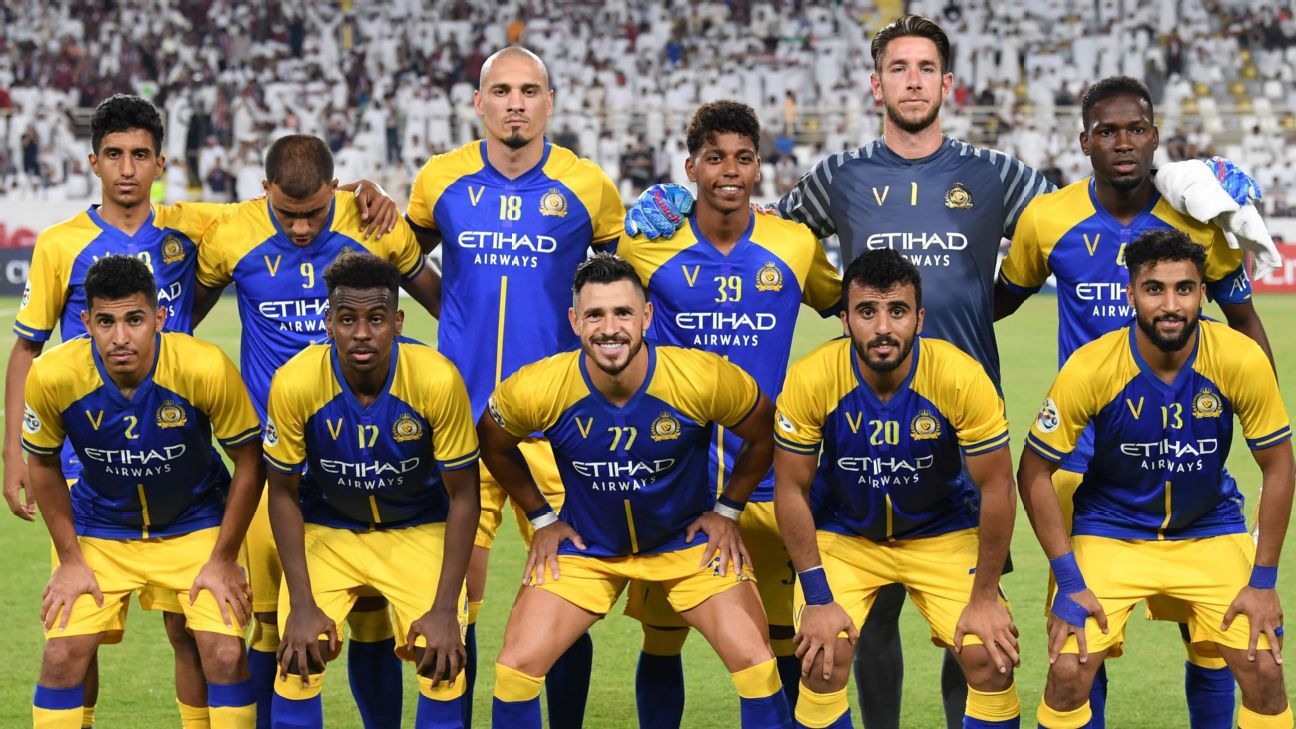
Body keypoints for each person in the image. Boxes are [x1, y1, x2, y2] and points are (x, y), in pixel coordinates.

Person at [622, 16, 1271, 727]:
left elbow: (1087, 203)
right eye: (898, 68)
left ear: (948, 83)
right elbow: (759, 221)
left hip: (966, 420)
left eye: (926, 68)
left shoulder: (997, 174)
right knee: (868, 617)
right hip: (863, 420)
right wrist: (676, 205)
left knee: (971, 620)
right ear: (877, 85)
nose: (913, 81)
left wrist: (1190, 180)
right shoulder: (839, 175)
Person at [994, 76, 1276, 728]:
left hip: (1183, 446)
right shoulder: (1047, 219)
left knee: (1214, 642)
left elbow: (1243, 321)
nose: (1123, 142)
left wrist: (1261, 412)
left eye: (1136, 129)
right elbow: (996, 303)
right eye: (1108, 131)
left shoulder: (1197, 216)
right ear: (1084, 140)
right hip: (1080, 461)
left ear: (1155, 136)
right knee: (1080, 638)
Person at [404, 45, 624, 727]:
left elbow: (622, 284)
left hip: (555, 428)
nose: (516, 104)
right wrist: (451, 307)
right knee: (456, 596)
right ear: (480, 103)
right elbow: (403, 256)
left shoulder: (587, 186)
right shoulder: (440, 179)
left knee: (566, 590)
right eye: (501, 91)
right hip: (461, 426)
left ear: (549, 103)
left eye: (529, 91)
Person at [478, 253, 791, 729]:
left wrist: (728, 511)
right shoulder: (539, 386)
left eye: (623, 313)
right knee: (515, 670)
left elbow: (767, 432)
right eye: (595, 315)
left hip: (686, 544)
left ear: (646, 316)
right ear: (574, 322)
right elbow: (492, 441)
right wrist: (542, 518)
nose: (610, 329)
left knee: (757, 665)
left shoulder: (700, 376)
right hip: (588, 547)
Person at [611, 100, 841, 726]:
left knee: (782, 639)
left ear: (760, 168)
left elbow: (850, 308)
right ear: (691, 167)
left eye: (743, 158)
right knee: (663, 638)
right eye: (714, 158)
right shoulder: (648, 242)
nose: (730, 171)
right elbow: (601, 312)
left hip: (768, 480)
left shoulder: (793, 244)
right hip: (674, 480)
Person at [5, 94, 228, 728]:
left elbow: (277, 206)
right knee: (81, 630)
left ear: (161, 162)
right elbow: (26, 349)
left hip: (176, 451)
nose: (126, 169)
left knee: (189, 630)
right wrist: (14, 452)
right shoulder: (61, 244)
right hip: (89, 460)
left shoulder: (189, 228)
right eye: (113, 155)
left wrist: (355, 191)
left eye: (139, 155)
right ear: (93, 162)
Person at [195, 134, 433, 728]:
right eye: (287, 214)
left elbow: (445, 304)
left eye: (314, 213)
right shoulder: (232, 233)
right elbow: (176, 325)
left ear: (335, 188)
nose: (301, 229)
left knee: (372, 619)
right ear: (263, 191)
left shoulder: (373, 223)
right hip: (271, 463)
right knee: (270, 622)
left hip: (361, 457)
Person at [1018, 230, 1293, 729]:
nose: (1170, 305)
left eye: (1184, 288)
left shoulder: (1239, 357)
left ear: (1203, 293)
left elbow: (1279, 465)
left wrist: (1263, 582)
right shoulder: (1092, 365)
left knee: (1265, 671)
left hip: (1208, 528)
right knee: (1068, 670)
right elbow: (1033, 470)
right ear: (1130, 294)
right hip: (1110, 529)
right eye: (1154, 289)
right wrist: (1069, 580)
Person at [774, 249, 1019, 729]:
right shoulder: (812, 376)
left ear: (919, 319)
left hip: (942, 531)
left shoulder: (960, 376)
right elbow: (790, 489)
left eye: (898, 311)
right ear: (845, 320)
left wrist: (985, 598)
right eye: (867, 312)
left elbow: (997, 489)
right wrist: (818, 598)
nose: (883, 328)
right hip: (845, 535)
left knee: (991, 658)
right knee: (823, 660)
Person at [25, 255, 264, 729]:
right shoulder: (53, 375)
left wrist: (223, 558)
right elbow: (43, 463)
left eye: (134, 320)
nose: (120, 337)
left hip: (196, 523)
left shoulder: (203, 366)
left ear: (159, 317)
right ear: (86, 322)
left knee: (222, 651)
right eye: (106, 322)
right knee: (62, 655)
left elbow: (250, 460)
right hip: (100, 528)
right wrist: (70, 560)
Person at [264, 253, 479, 729]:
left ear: (397, 323)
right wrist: (301, 603)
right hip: (329, 530)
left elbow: (465, 495)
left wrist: (445, 608)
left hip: (418, 528)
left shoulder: (436, 379)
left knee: (440, 660)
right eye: (347, 319)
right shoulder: (295, 381)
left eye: (376, 319)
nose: (362, 333)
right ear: (328, 323)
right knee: (299, 657)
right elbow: (281, 492)